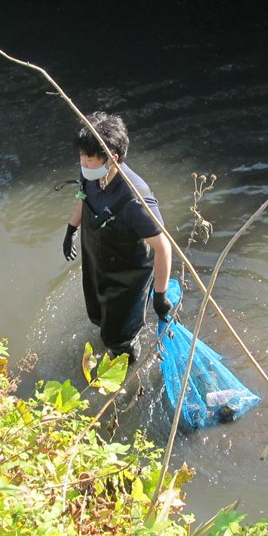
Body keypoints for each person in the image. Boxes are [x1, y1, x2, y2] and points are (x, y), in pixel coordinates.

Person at [61, 112, 173, 364]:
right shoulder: (90, 175)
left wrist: (160, 295)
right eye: (81, 155)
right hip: (97, 263)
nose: (83, 163)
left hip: (126, 278)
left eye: (88, 158)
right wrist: (71, 229)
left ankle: (128, 369)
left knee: (120, 339)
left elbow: (163, 247)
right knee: (98, 316)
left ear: (113, 157)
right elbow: (82, 199)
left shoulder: (135, 200)